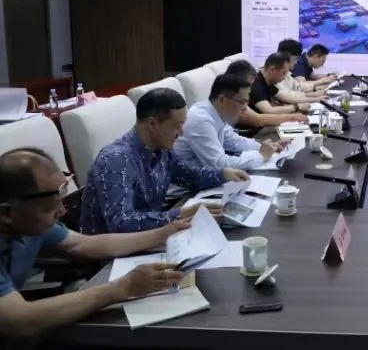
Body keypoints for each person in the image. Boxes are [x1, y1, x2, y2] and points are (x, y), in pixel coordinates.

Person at [0, 148, 189, 339]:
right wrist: (122, 288)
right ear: (7, 213)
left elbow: (84, 244)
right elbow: (20, 321)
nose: (62, 211)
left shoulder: (31, 223)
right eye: (49, 206)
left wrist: (163, 234)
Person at [80, 89, 248, 235]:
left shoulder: (162, 149)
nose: (182, 133)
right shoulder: (116, 160)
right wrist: (180, 214)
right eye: (178, 125)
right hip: (109, 255)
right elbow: (121, 223)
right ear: (153, 123)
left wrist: (224, 174)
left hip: (151, 237)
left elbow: (191, 176)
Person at [173, 74, 286, 170]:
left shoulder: (215, 112)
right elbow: (219, 164)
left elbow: (235, 142)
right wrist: (261, 156)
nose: (245, 108)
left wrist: (267, 147)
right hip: (188, 186)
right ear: (223, 100)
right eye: (242, 102)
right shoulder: (201, 120)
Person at [225, 60, 308, 127]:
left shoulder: (264, 82)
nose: (250, 90)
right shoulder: (233, 98)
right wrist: (292, 117)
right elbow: (258, 120)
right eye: (248, 86)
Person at [276, 38, 329, 105]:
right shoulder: (275, 73)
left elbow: (298, 87)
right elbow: (289, 96)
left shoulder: (286, 73)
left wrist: (315, 89)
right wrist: (315, 98)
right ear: (286, 57)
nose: (296, 62)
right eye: (295, 59)